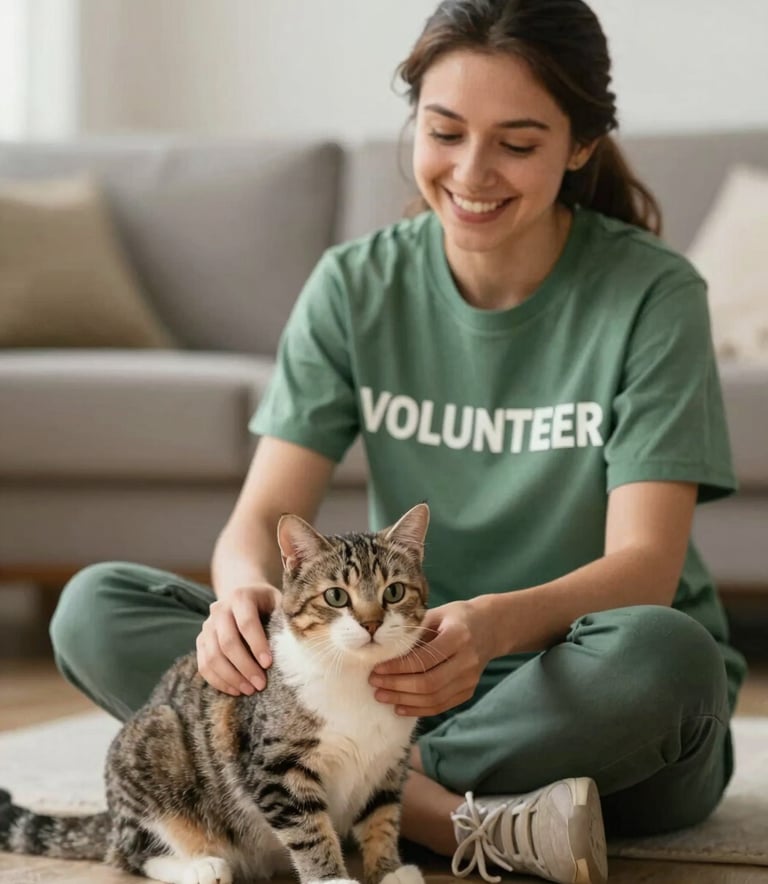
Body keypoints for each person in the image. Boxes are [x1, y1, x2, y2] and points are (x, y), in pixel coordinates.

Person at [50, 1, 747, 882]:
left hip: (571, 697)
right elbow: (263, 515)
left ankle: (381, 800)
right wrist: (239, 605)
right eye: (444, 130)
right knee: (95, 606)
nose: (471, 171)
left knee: (666, 656)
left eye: (517, 144)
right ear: (413, 120)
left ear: (580, 146)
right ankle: (455, 822)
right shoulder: (354, 284)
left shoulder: (654, 294)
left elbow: (646, 566)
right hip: (372, 681)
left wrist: (488, 629)